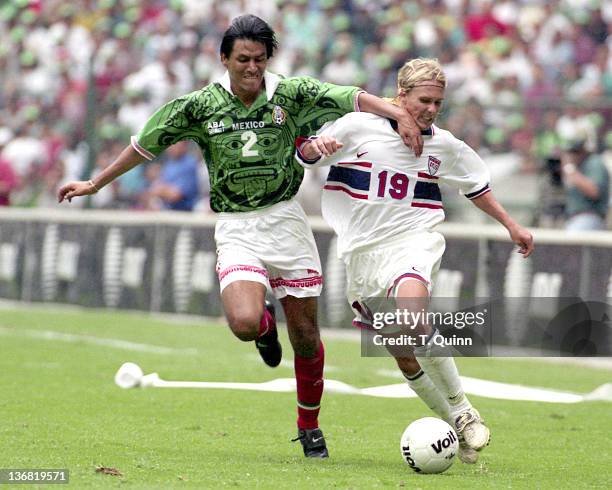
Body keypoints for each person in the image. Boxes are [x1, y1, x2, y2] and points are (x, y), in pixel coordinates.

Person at [57, 15, 424, 458]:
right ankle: (265, 327)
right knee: (244, 323)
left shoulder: (290, 93)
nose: (252, 68)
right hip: (237, 226)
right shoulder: (199, 106)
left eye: (260, 59)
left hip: (287, 222)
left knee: (306, 335)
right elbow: (144, 143)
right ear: (224, 59)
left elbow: (350, 97)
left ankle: (309, 426)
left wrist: (399, 113)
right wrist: (94, 184)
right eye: (243, 59)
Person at [296, 58, 534, 464]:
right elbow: (306, 154)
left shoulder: (444, 144)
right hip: (361, 255)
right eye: (424, 100)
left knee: (413, 317)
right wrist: (317, 148)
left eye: (438, 103)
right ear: (400, 95)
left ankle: (462, 407)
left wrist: (511, 224)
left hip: (413, 243)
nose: (431, 110)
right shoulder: (357, 126)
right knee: (404, 354)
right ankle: (454, 429)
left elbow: (476, 185)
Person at [560, 136, 609, 231]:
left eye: (575, 152)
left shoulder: (594, 163)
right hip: (574, 218)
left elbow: (594, 192)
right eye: (570, 152)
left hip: (589, 217)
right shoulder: (577, 166)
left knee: (570, 240)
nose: (573, 155)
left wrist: (570, 169)